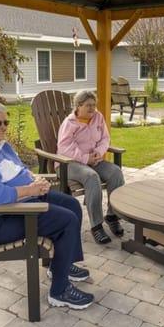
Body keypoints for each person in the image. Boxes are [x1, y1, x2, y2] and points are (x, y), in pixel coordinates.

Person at [0, 100, 93, 310]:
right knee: (66, 221)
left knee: (71, 204)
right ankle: (59, 291)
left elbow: (18, 170)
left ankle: (60, 267)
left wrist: (36, 180)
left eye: (5, 122)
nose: (3, 127)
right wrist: (30, 190)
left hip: (15, 203)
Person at [57, 90, 125, 244]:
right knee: (91, 176)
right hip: (69, 163)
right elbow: (64, 148)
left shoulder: (98, 117)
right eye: (88, 105)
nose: (92, 109)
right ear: (78, 106)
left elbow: (105, 138)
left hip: (94, 159)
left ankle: (112, 216)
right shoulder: (69, 123)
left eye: (94, 105)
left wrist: (98, 153)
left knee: (116, 173)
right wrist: (85, 158)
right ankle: (96, 225)